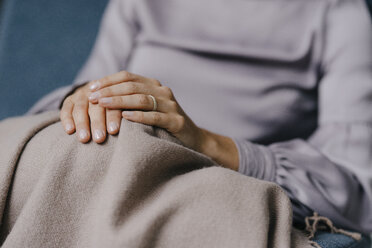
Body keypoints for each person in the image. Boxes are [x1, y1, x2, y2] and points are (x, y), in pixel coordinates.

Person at [29, 0, 372, 234]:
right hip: (94, 148)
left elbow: (360, 195)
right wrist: (82, 99)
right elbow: (92, 87)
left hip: (199, 179)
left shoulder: (336, 12)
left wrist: (207, 143)